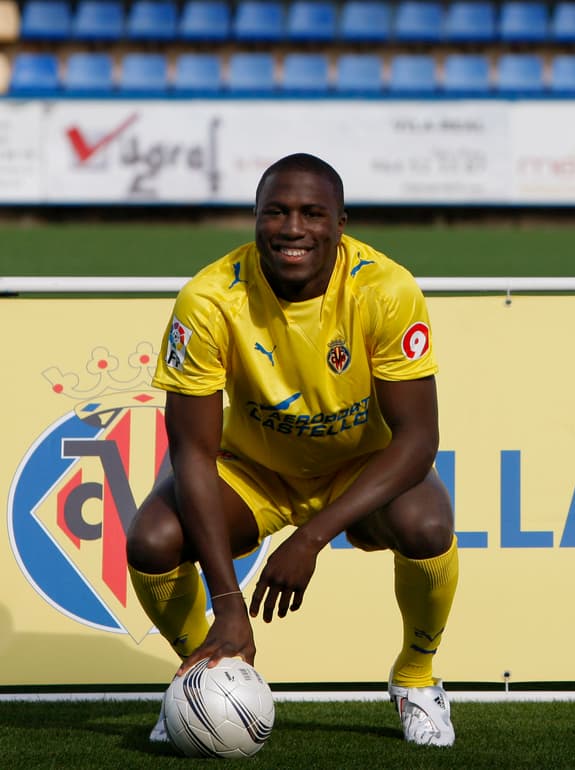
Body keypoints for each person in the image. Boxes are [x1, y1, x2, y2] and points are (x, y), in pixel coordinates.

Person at [125, 153, 459, 748]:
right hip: (252, 471)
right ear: (255, 219)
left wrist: (310, 538)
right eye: (275, 212)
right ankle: (200, 676)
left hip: (356, 468)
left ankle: (415, 677)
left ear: (341, 222)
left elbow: (418, 439)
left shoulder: (385, 288)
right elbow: (192, 453)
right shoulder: (207, 300)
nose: (293, 228)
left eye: (312, 213)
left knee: (427, 524)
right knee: (152, 539)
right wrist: (228, 603)